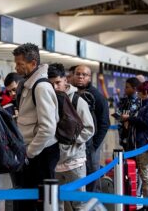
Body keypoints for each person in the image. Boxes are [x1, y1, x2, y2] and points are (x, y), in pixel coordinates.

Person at [12, 43, 59, 211]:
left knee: (38, 203)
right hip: (34, 152)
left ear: (33, 63)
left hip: (40, 154)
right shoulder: (29, 84)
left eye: (20, 64)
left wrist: (29, 153)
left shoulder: (41, 87)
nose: (16, 67)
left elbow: (47, 128)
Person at [47, 63, 94, 211]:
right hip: (54, 162)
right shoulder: (46, 101)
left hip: (75, 161)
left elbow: (89, 128)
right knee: (56, 204)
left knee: (79, 204)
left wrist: (72, 142)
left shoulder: (77, 101)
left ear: (65, 80)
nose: (54, 87)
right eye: (50, 84)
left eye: (57, 83)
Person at [72, 65, 110, 192]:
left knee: (92, 172)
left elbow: (105, 123)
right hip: (76, 141)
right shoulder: (71, 93)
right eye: (78, 74)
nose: (80, 77)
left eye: (84, 75)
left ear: (90, 77)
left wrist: (95, 144)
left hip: (92, 142)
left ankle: (94, 199)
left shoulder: (97, 97)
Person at [121, 81, 148, 198]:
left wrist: (130, 118)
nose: (137, 94)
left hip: (145, 145)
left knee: (146, 177)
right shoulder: (145, 104)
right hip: (140, 144)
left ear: (145, 92)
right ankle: (145, 201)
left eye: (139, 92)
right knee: (143, 176)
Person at [115, 77, 141, 151]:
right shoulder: (124, 101)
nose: (125, 89)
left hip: (135, 138)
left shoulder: (140, 102)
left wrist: (128, 119)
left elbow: (139, 119)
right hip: (124, 135)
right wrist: (122, 119)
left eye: (127, 87)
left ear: (134, 88)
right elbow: (118, 114)